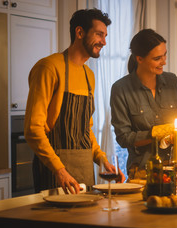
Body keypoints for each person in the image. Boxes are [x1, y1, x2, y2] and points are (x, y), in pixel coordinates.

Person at [24, 9, 125, 195]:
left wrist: (103, 162)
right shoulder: (48, 67)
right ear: (79, 33)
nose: (104, 42)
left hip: (84, 171)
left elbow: (85, 130)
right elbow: (33, 129)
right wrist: (59, 170)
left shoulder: (89, 75)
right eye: (99, 35)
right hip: (54, 173)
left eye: (105, 36)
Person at [110, 29, 177, 175]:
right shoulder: (121, 89)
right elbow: (124, 138)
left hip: (174, 168)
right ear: (139, 59)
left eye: (165, 55)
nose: (164, 62)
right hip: (141, 171)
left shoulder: (172, 81)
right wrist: (156, 134)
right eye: (157, 58)